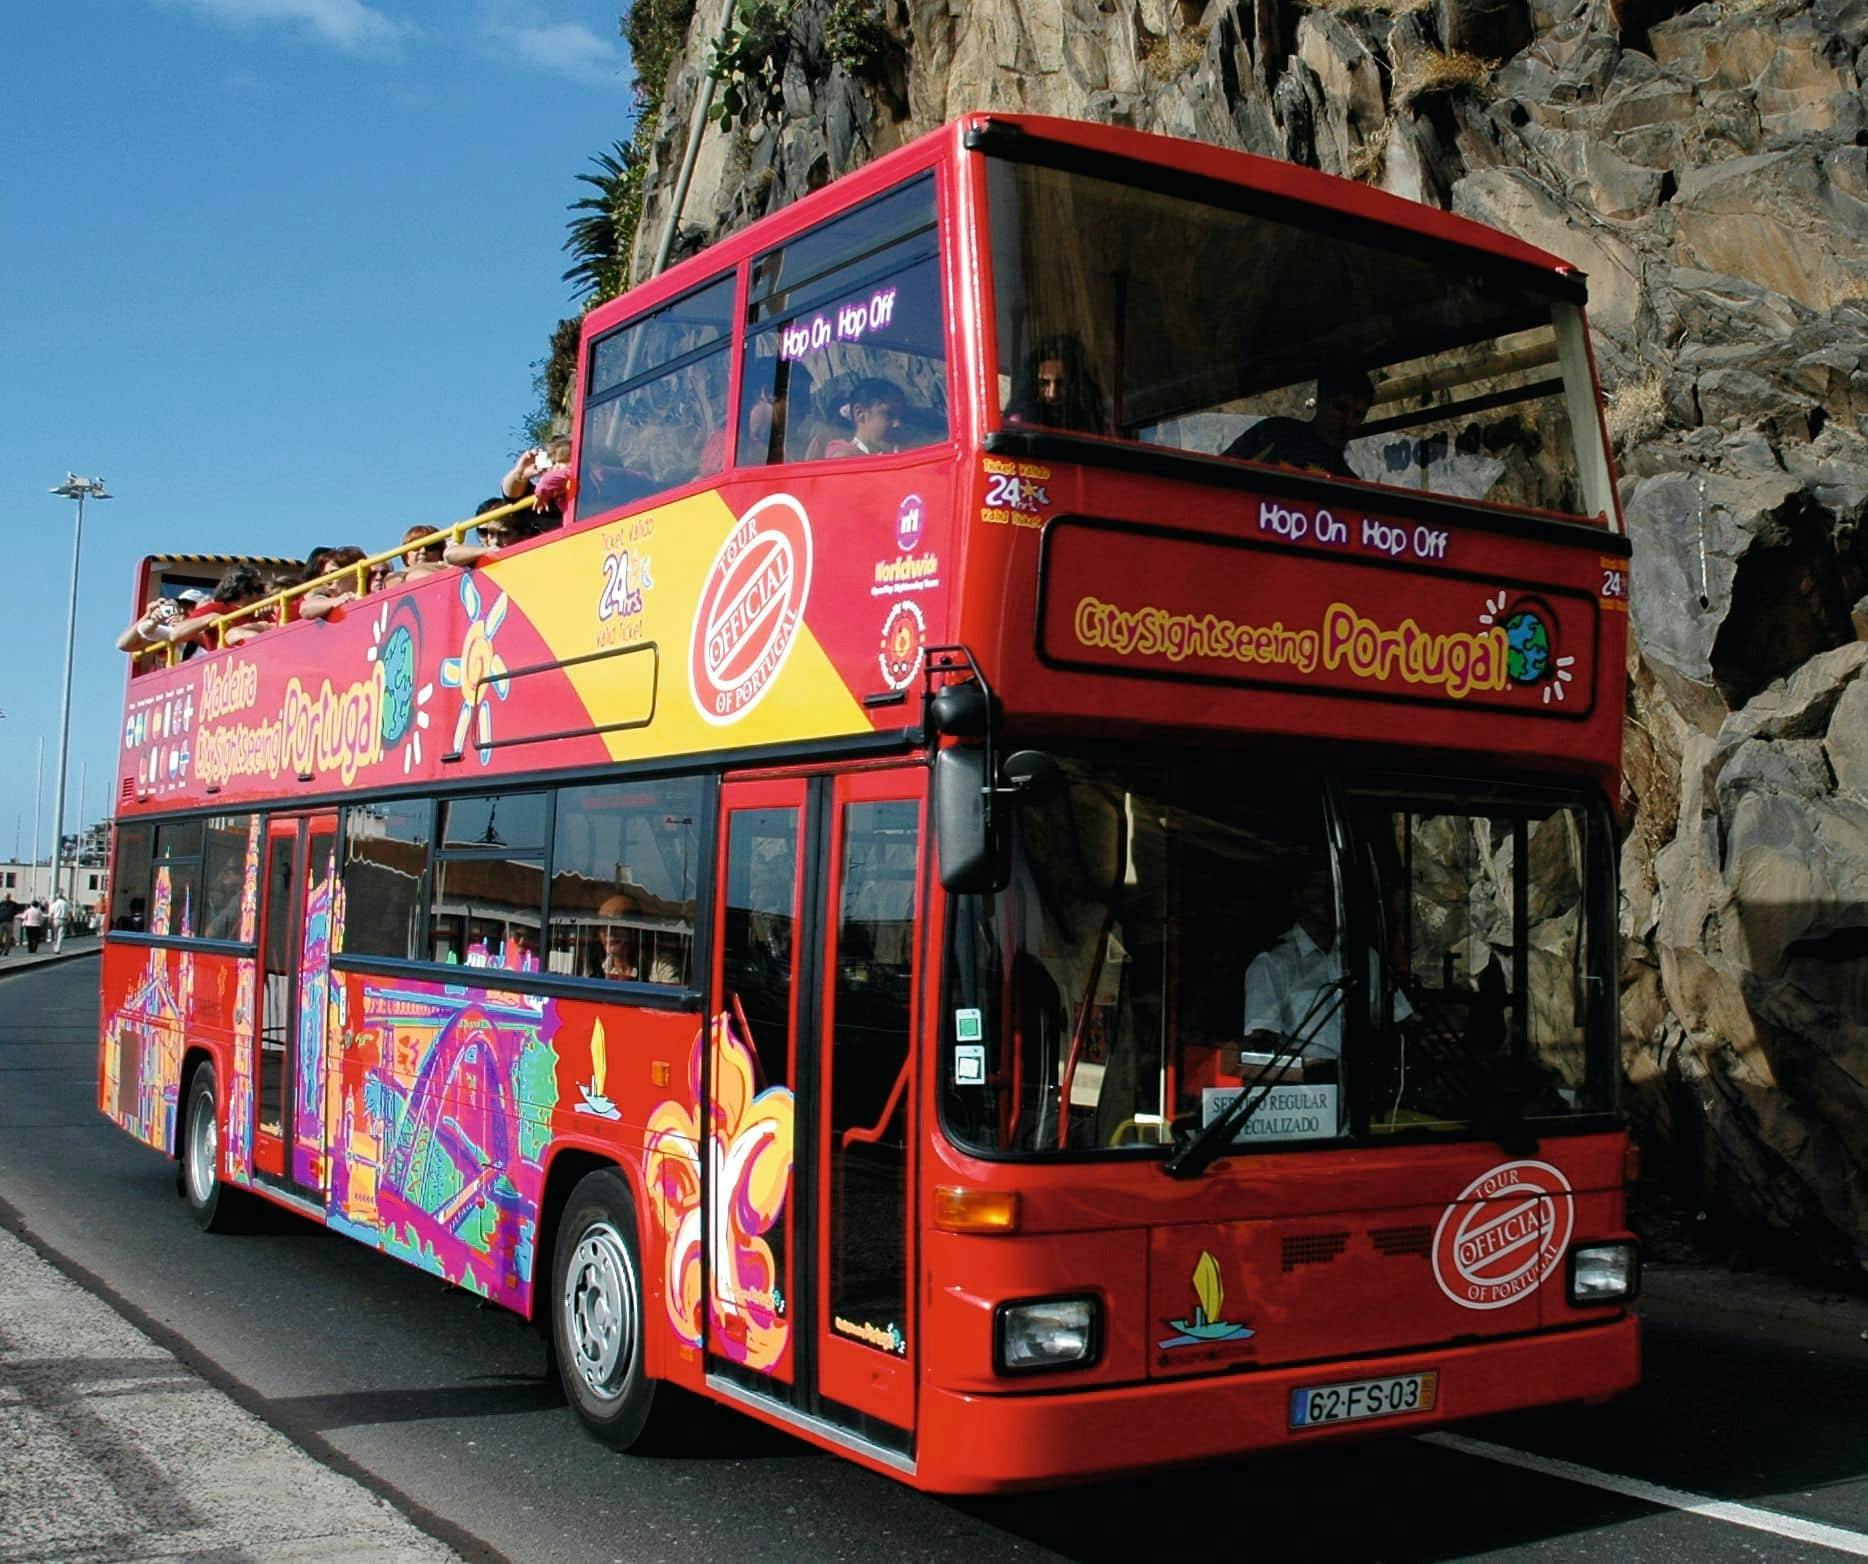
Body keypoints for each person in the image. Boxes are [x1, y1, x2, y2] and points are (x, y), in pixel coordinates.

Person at [1222, 367, 1375, 479]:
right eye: (1341, 408)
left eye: (1358, 415)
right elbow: (1220, 471)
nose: (1348, 422)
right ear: (1321, 400)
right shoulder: (1275, 434)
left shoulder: (1349, 483)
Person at [1005, 334, 1108, 433]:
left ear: (1074, 383)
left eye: (1060, 383)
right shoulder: (1020, 422)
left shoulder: (1090, 420)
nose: (1052, 393)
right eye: (1044, 383)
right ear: (1033, 383)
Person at [445, 496, 543, 569]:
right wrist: (488, 551)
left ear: (524, 534)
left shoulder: (537, 551)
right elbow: (449, 554)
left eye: (504, 534)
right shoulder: (481, 555)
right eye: (485, 532)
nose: (494, 540)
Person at [823, 378, 905, 458]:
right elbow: (840, 462)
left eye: (901, 417)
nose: (897, 424)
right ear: (860, 414)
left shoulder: (901, 454)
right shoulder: (845, 451)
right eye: (888, 414)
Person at [298, 546, 369, 621]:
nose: (328, 580)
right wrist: (337, 600)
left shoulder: (375, 596)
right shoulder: (327, 600)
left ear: (355, 574)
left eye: (333, 573)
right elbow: (304, 609)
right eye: (325, 575)